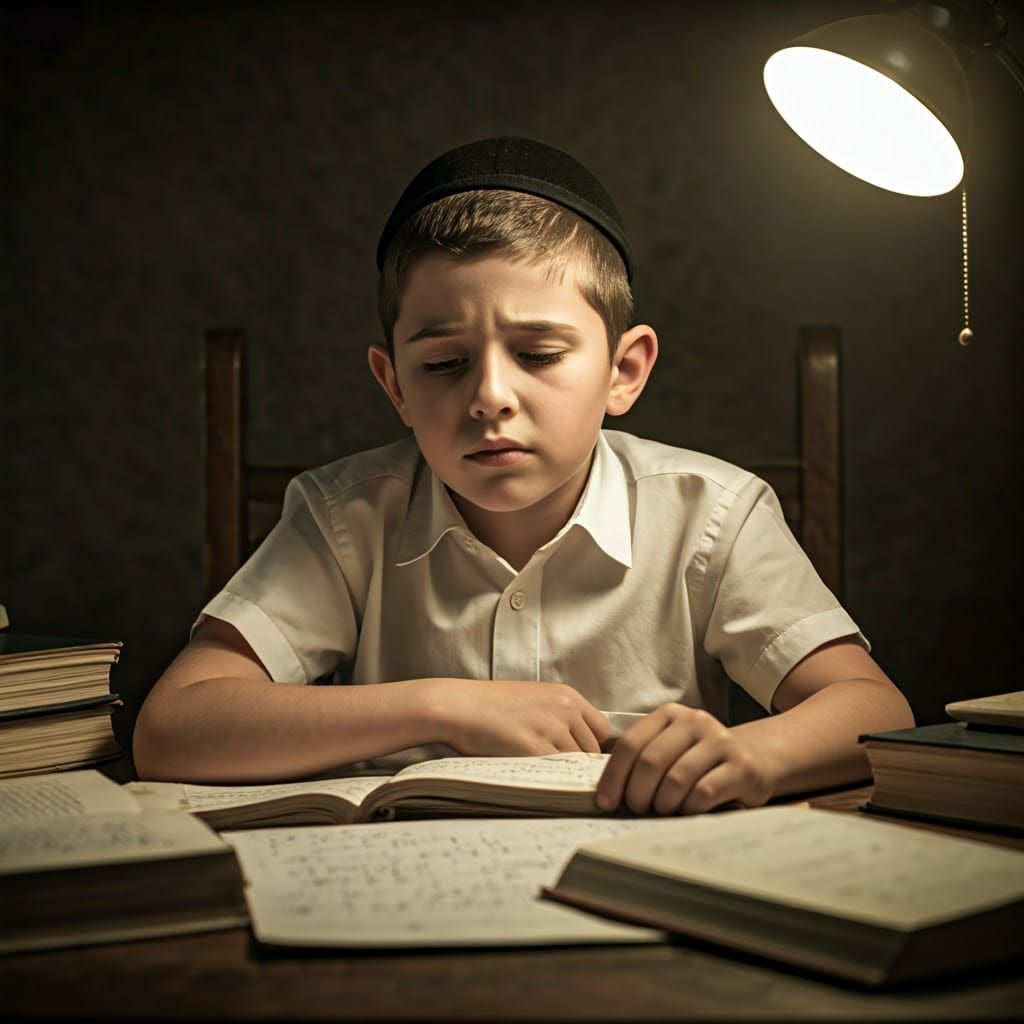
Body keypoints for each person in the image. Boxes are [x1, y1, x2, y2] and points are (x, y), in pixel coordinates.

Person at [133, 136, 913, 814]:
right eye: (443, 364)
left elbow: (876, 708)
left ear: (625, 369)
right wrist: (442, 705)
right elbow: (172, 729)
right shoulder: (347, 517)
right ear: (394, 385)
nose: (489, 398)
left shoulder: (712, 513)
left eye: (538, 355)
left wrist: (754, 756)